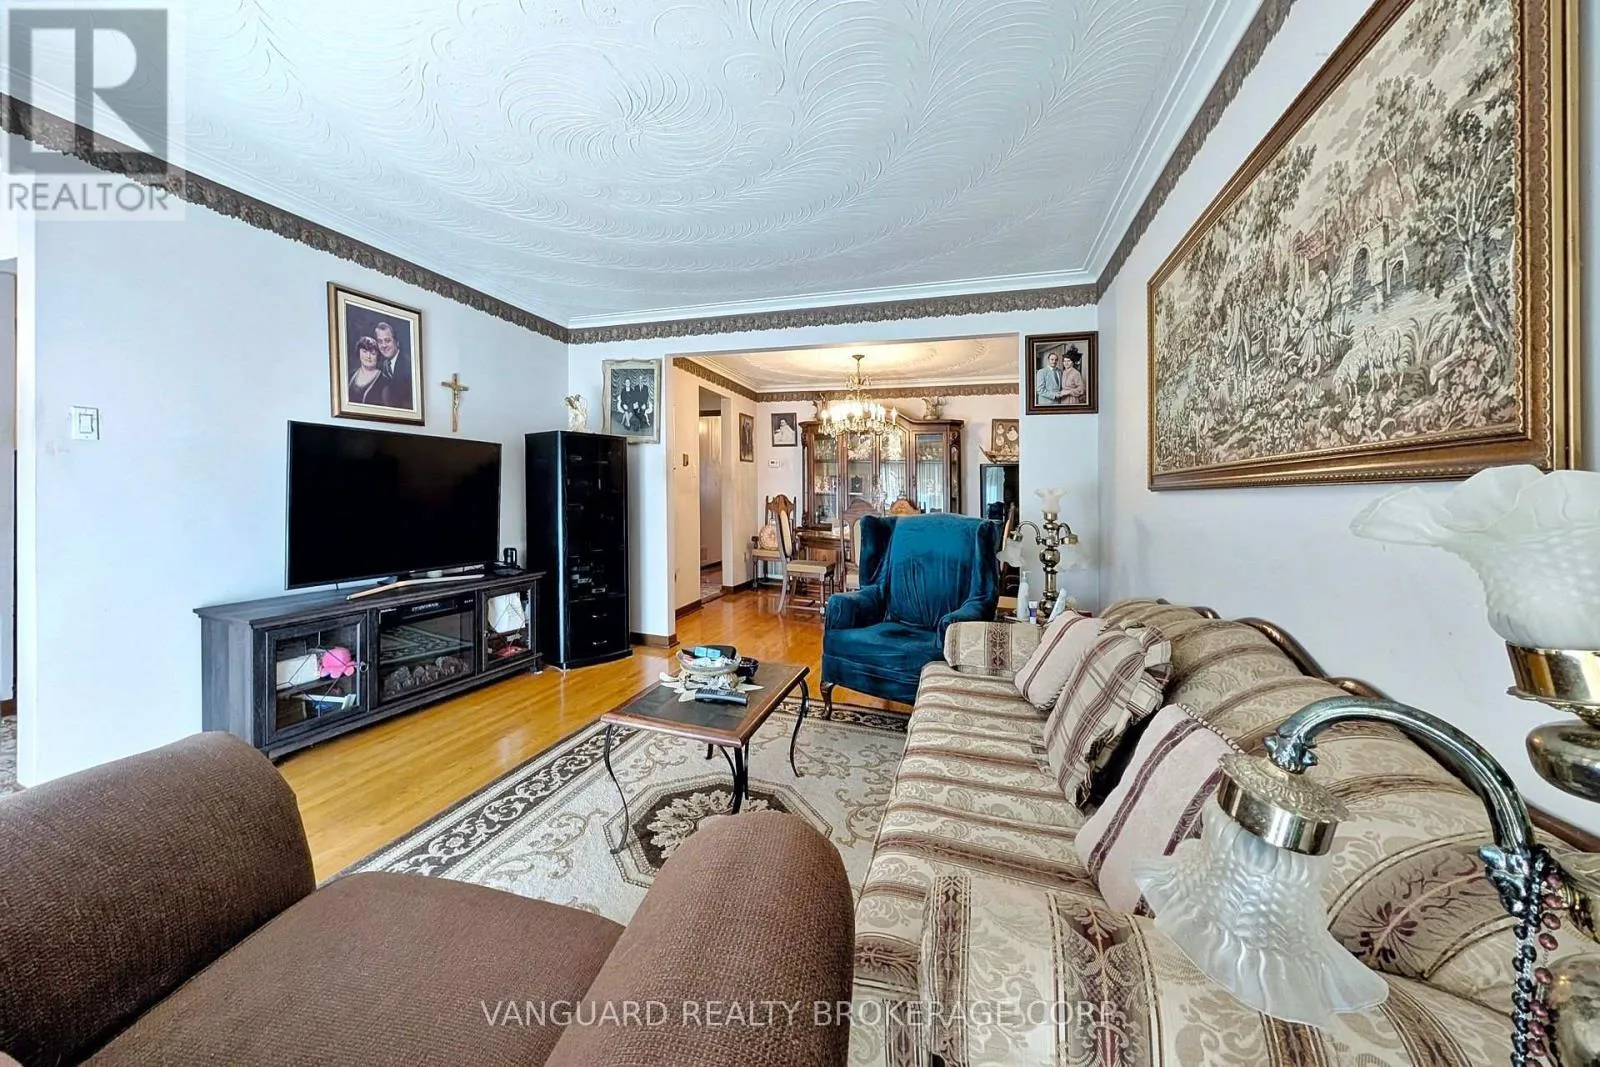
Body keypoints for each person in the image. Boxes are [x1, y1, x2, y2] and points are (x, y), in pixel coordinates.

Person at [374, 321, 412, 408]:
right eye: (380, 341)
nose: (383, 345)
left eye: (387, 341)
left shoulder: (408, 365)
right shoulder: (382, 366)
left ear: (397, 342)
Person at [348, 336, 390, 406]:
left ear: (378, 356)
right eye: (364, 352)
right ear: (359, 352)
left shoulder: (385, 382)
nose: (368, 356)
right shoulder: (350, 376)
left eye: (373, 353)